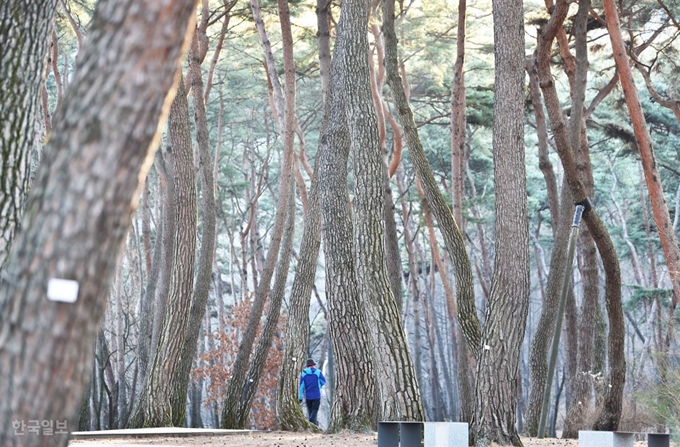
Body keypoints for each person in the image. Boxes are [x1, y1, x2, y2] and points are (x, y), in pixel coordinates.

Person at [298, 358, 326, 426]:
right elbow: (323, 381)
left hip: (308, 396)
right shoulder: (318, 372)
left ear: (307, 366)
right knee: (314, 410)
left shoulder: (304, 373)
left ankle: (313, 425)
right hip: (316, 395)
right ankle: (311, 422)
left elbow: (301, 386)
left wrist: (300, 397)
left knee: (310, 411)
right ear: (313, 365)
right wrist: (319, 386)